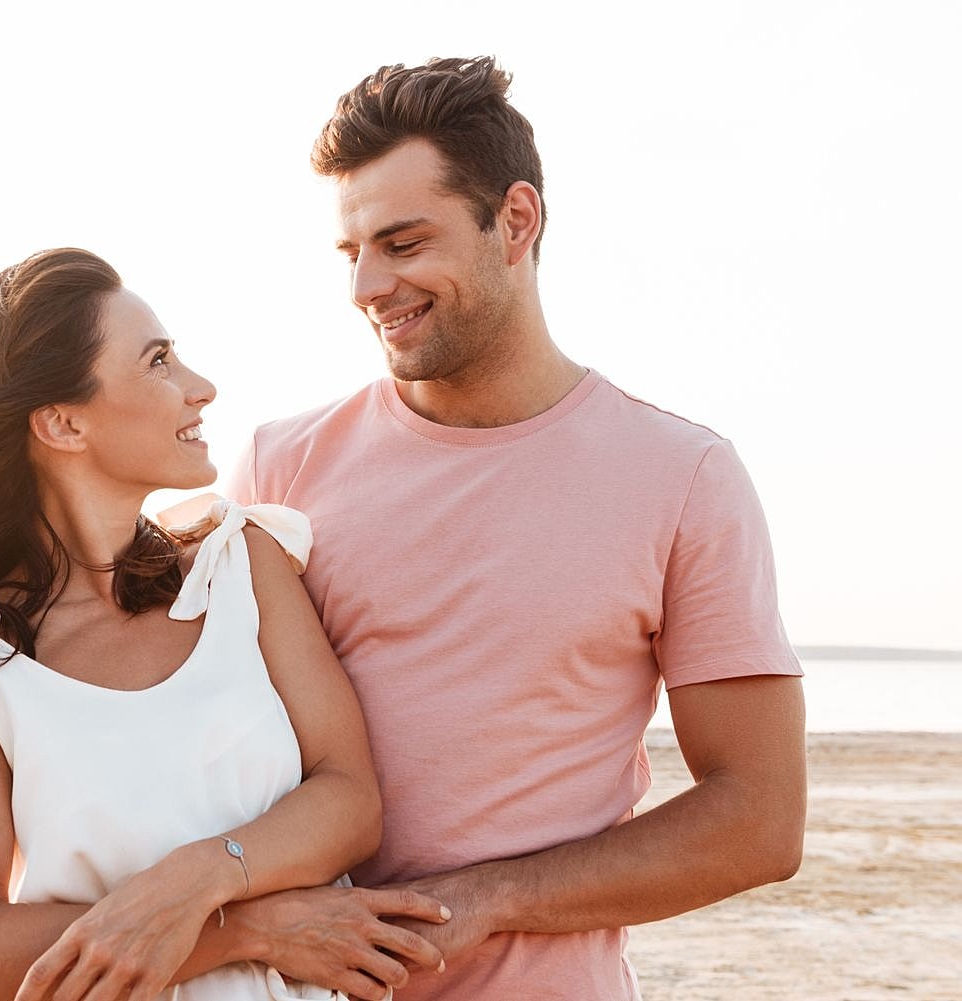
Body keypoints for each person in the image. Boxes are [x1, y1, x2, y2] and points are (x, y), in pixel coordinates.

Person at [217, 57, 809, 999]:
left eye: (405, 243)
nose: (368, 285)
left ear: (516, 222)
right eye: (351, 252)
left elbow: (759, 819)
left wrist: (481, 900)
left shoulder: (684, 476)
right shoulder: (280, 467)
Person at [0, 248, 449, 1001]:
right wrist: (247, 929)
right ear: (64, 422)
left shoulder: (240, 562)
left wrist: (195, 877)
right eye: (159, 361)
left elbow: (351, 799)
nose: (201, 387)